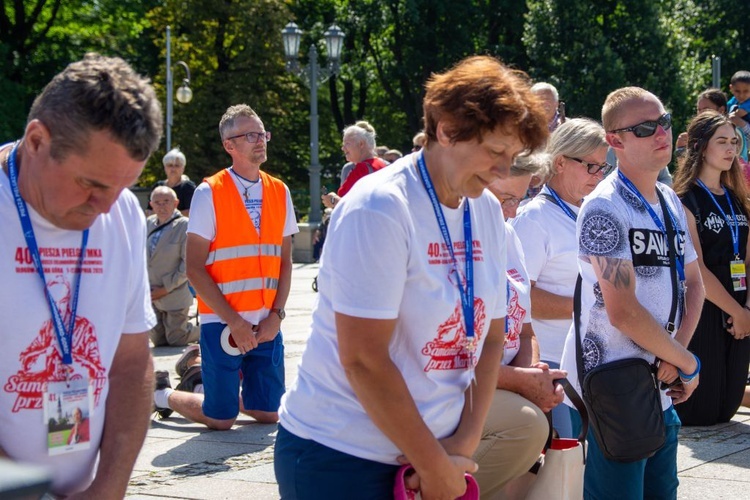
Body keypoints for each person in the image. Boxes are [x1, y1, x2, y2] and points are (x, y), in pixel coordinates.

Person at [274, 55, 548, 499]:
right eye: (495, 152)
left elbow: (491, 338)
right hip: (341, 458)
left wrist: (462, 444)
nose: (503, 171)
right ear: (445, 129)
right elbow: (364, 359)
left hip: (436, 452)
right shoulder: (380, 208)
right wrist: (434, 464)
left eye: (513, 156)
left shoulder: (484, 211)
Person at [0, 53, 162, 497]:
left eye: (122, 187)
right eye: (91, 184)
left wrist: (108, 488)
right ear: (36, 141)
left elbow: (131, 363)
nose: (105, 207)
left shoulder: (122, 213)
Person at [559, 86, 704, 499]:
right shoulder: (603, 207)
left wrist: (678, 356)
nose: (661, 133)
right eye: (644, 128)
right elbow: (622, 311)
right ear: (614, 142)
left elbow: (694, 284)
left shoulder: (671, 201)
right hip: (615, 388)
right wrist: (686, 361)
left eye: (664, 121)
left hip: (660, 385)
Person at [153, 104, 298, 428]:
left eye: (262, 134)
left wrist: (276, 316)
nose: (260, 141)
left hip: (265, 321)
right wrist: (234, 322)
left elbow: (284, 263)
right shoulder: (209, 192)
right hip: (223, 320)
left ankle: (206, 382)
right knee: (221, 420)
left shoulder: (279, 190)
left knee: (271, 414)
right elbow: (194, 268)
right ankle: (162, 394)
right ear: (229, 145)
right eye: (250, 135)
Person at [510, 118, 611, 438]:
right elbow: (522, 299)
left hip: (594, 361)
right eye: (591, 166)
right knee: (563, 470)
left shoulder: (591, 211)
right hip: (556, 364)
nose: (599, 176)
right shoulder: (534, 218)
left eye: (603, 167)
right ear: (560, 163)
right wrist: (592, 308)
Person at [476, 153, 564, 498]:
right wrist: (520, 382)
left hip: (503, 380)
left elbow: (525, 330)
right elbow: (447, 357)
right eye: (505, 199)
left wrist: (530, 374)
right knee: (526, 426)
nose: (513, 211)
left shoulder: (508, 235)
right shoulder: (453, 242)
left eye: (520, 198)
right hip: (462, 387)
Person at [672, 110, 750, 426]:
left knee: (726, 408)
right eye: (722, 142)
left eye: (735, 142)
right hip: (703, 306)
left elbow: (747, 256)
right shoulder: (685, 199)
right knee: (702, 412)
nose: (731, 149)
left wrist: (747, 308)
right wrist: (738, 311)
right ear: (702, 147)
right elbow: (698, 269)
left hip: (741, 305)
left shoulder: (737, 198)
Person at [147, 185, 198, 347]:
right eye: (158, 202)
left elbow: (188, 264)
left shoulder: (184, 225)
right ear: (151, 204)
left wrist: (166, 288)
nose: (162, 206)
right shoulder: (148, 224)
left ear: (176, 203)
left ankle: (207, 330)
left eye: (166, 201)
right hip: (152, 294)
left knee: (176, 339)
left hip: (174, 293)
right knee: (159, 341)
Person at [324, 121, 388, 209]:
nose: (343, 148)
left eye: (347, 143)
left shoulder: (362, 168)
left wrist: (333, 200)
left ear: (361, 144)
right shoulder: (383, 164)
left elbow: (348, 206)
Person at [153, 148, 195, 216]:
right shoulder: (158, 186)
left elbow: (190, 211)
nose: (173, 169)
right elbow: (149, 210)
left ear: (183, 168)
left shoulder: (188, 187)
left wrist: (165, 216)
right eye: (170, 165)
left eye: (177, 165)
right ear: (165, 167)